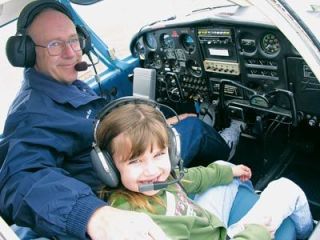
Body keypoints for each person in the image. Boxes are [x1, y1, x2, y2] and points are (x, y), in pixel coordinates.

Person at [0, 0, 237, 239]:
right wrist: (92, 215)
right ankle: (227, 152)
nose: (71, 53)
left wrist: (163, 125)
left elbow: (109, 127)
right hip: (120, 183)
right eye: (54, 44)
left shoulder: (67, 84)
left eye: (73, 40)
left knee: (177, 123)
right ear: (27, 53)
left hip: (125, 153)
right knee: (195, 127)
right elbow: (19, 179)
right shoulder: (31, 114)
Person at [94, 100, 314, 240]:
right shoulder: (142, 226)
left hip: (204, 224)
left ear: (171, 152)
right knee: (286, 188)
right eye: (135, 162)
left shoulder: (155, 183)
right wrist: (255, 233)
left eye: (159, 154)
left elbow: (189, 178)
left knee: (222, 167)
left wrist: (231, 172)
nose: (152, 170)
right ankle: (308, 234)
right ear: (109, 168)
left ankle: (245, 190)